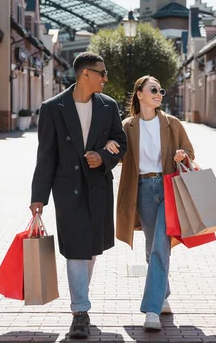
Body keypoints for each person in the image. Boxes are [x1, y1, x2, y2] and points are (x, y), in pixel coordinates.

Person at [30, 52, 127, 339]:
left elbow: (121, 142)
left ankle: (80, 301)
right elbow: (45, 155)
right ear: (86, 74)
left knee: (91, 249)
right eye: (102, 73)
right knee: (75, 248)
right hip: (67, 189)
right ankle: (80, 311)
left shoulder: (108, 107)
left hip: (97, 187)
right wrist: (38, 198)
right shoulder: (52, 108)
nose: (105, 78)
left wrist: (103, 158)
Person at [105, 75, 194, 331]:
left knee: (159, 248)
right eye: (153, 90)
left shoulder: (171, 124)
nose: (158, 94)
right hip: (141, 189)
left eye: (160, 90)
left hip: (168, 188)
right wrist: (111, 145)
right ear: (140, 94)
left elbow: (189, 151)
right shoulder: (127, 126)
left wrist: (182, 154)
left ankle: (152, 310)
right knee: (152, 246)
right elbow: (118, 154)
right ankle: (163, 293)